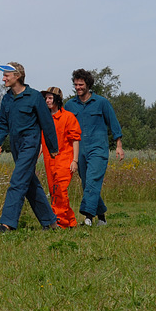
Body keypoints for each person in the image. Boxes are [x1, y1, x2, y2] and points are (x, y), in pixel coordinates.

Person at [0, 63, 60, 233]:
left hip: (30, 143)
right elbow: (1, 123)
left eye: (7, 75)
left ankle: (6, 224)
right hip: (15, 144)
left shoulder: (34, 96)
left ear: (18, 76)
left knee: (18, 181)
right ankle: (51, 222)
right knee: (30, 183)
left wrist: (52, 147)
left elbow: (47, 123)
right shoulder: (7, 98)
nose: (3, 78)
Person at [63, 69, 124, 226]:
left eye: (81, 84)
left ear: (88, 84)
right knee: (87, 183)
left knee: (92, 180)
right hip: (79, 150)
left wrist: (119, 146)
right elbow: (63, 127)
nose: (78, 87)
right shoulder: (70, 105)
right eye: (76, 84)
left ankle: (88, 217)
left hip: (98, 149)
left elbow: (114, 124)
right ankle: (101, 217)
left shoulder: (102, 102)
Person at [40, 87, 81, 228]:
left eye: (50, 98)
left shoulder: (68, 117)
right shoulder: (44, 118)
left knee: (60, 190)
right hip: (49, 160)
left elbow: (75, 139)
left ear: (57, 99)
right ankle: (72, 221)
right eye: (46, 98)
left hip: (65, 160)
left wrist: (75, 161)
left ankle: (60, 223)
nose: (47, 101)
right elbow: (42, 141)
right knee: (54, 192)